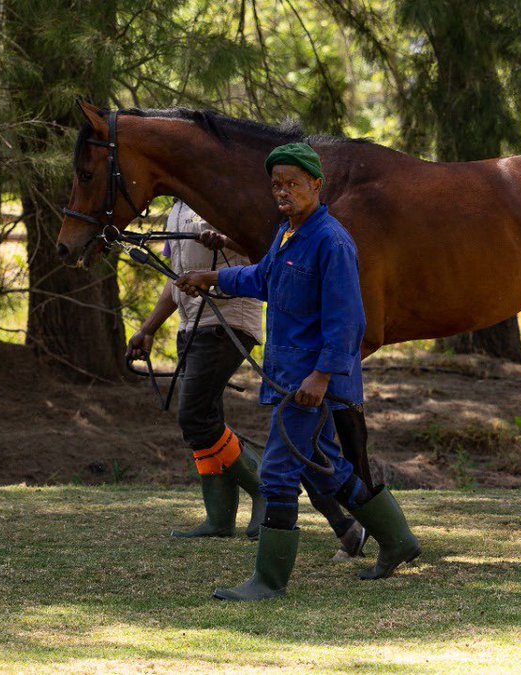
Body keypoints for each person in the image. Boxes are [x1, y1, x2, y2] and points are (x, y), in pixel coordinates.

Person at [178, 142, 421, 602]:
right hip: (290, 376)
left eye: (292, 183)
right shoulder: (288, 234)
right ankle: (397, 541)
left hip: (311, 384)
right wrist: (211, 279)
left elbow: (348, 321)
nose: (282, 191)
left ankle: (268, 581)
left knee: (277, 472)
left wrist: (321, 377)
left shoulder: (332, 241)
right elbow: (263, 278)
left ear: (316, 185)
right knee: (326, 470)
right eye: (276, 184)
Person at [129, 202, 367, 556]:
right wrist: (149, 328)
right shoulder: (176, 209)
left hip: (229, 322)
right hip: (192, 323)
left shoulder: (224, 197)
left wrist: (226, 241)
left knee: (198, 418)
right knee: (218, 424)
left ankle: (262, 491)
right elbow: (176, 281)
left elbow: (263, 259)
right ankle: (225, 518)